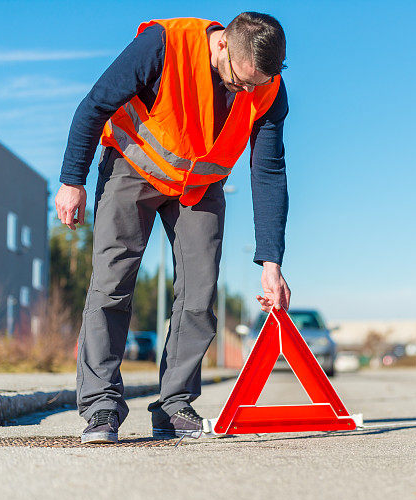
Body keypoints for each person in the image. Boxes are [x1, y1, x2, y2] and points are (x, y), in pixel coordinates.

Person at [53, 12, 292, 444]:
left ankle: (174, 404)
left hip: (199, 187)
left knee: (200, 292)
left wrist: (271, 261)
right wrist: (73, 180)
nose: (248, 92)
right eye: (241, 82)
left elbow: (269, 170)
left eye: (257, 84)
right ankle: (101, 405)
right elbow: (94, 105)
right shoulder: (163, 45)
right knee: (112, 284)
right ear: (222, 45)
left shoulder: (267, 85)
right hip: (133, 166)